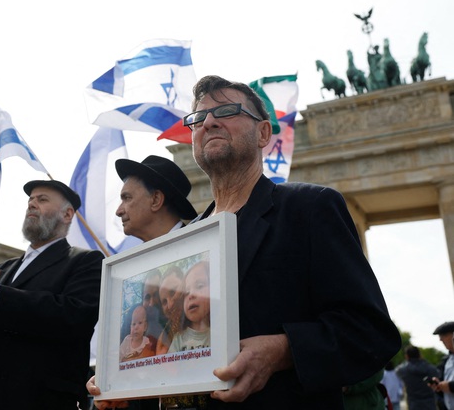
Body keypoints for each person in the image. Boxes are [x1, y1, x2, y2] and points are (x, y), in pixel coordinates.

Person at [97, 75, 401, 409]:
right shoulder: (183, 243)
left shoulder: (310, 208)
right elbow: (175, 359)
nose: (209, 121)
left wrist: (283, 350)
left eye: (226, 111)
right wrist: (124, 382)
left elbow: (370, 333)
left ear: (263, 133)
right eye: (197, 119)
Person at [0, 180, 103, 409]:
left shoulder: (84, 261)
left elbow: (72, 317)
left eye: (42, 199)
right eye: (30, 200)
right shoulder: (4, 268)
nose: (32, 204)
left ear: (67, 214)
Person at [88, 156, 200, 410]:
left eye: (127, 198)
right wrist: (108, 379)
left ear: (156, 200)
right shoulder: (128, 275)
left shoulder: (202, 258)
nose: (118, 210)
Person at [168, 260, 211, 353]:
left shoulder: (220, 332)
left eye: (199, 286)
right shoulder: (179, 339)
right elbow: (170, 367)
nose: (191, 295)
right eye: (186, 292)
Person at [395, 346, 439, 410]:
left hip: (413, 404)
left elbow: (397, 370)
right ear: (419, 354)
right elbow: (436, 372)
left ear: (407, 356)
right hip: (430, 404)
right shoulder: (430, 369)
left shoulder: (404, 370)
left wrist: (407, 362)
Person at [432, 321, 454, 410]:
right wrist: (438, 386)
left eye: (444, 334)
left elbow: (450, 387)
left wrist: (451, 386)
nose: (440, 339)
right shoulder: (445, 361)